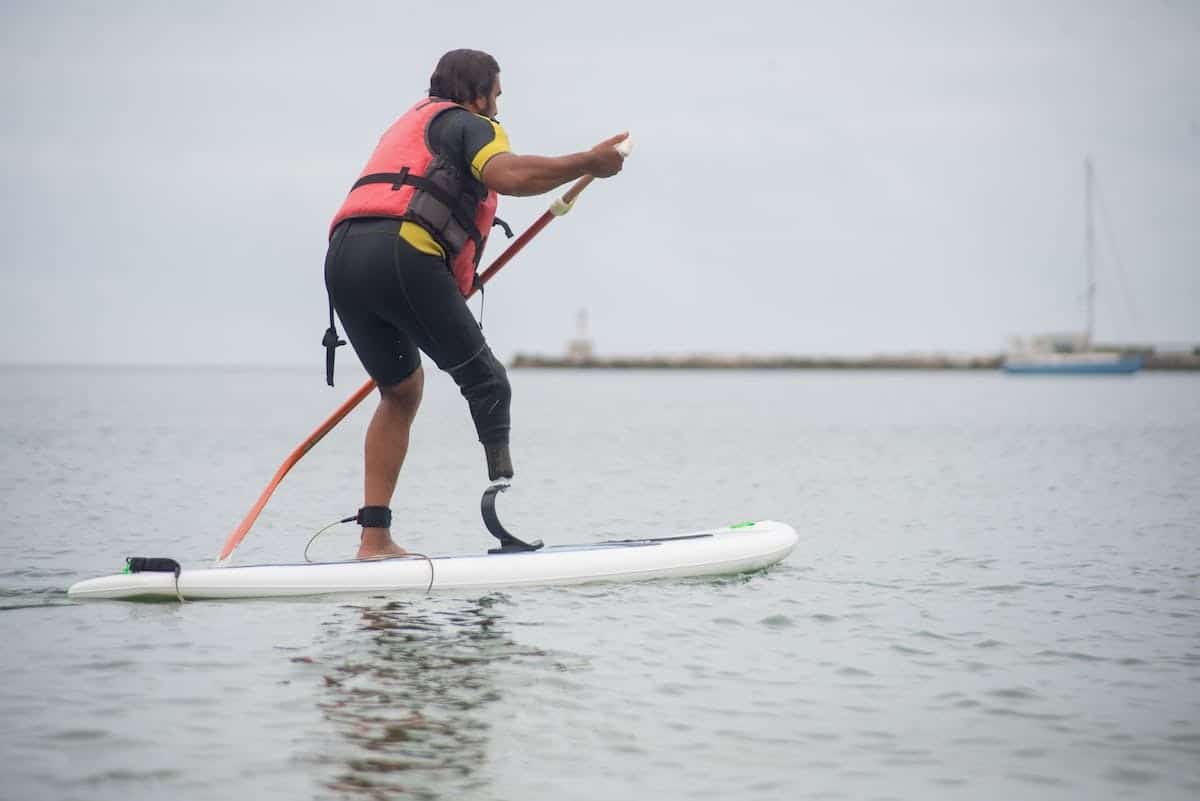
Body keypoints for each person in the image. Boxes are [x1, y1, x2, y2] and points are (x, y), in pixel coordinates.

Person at [324, 49, 627, 559]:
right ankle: (501, 504)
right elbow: (510, 176)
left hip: (342, 261)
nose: (498, 107)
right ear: (479, 93)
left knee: (400, 391)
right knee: (488, 383)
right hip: (403, 255)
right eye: (497, 96)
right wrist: (589, 162)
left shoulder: (413, 125)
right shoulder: (471, 124)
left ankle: (373, 540)